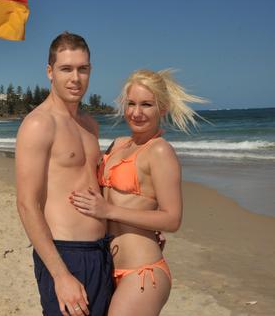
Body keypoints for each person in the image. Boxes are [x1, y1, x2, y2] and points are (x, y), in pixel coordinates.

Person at [70, 69, 205, 315]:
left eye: (146, 105)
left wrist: (110, 210)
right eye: (131, 103)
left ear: (161, 109)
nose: (136, 112)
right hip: (106, 269)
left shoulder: (160, 152)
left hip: (143, 272)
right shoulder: (118, 144)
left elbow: (172, 219)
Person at [16, 31, 112, 316]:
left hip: (102, 252)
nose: (75, 78)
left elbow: (101, 190)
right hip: (65, 254)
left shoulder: (90, 125)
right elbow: (26, 204)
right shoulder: (39, 124)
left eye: (82, 69)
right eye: (66, 69)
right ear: (50, 72)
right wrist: (60, 275)